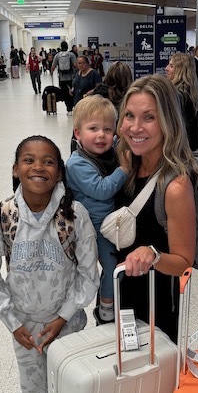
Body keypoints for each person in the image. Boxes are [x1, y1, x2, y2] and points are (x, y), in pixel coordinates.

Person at [0, 135, 99, 393]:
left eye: (48, 161)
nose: (38, 167)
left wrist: (64, 317)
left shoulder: (74, 215)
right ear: (16, 169)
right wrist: (12, 322)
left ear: (60, 172)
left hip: (68, 323)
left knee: (72, 383)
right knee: (32, 385)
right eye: (29, 160)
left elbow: (89, 273)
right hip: (25, 328)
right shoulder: (3, 215)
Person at [114, 74, 197, 343]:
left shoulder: (175, 186)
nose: (135, 128)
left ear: (167, 122)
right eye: (129, 116)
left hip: (155, 302)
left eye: (149, 118)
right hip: (118, 290)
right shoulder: (126, 160)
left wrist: (152, 254)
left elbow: (184, 261)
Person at [66, 96, 129, 323]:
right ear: (78, 133)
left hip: (109, 223)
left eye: (107, 129)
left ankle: (107, 301)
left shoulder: (107, 151)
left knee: (115, 267)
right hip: (92, 228)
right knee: (110, 268)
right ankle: (105, 309)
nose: (101, 135)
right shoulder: (77, 163)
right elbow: (102, 190)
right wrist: (124, 170)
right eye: (93, 129)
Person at [165, 52, 198, 151]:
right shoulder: (190, 92)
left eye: (171, 66)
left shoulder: (177, 94)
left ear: (181, 70)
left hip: (177, 148)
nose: (166, 68)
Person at [52, 42, 77, 115]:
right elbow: (75, 65)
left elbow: (53, 66)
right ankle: (72, 107)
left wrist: (51, 71)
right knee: (72, 93)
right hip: (71, 77)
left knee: (65, 93)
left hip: (62, 78)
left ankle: (68, 109)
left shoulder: (57, 55)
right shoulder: (71, 55)